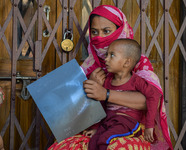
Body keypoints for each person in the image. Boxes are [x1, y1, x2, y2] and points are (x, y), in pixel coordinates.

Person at [48, 5, 173, 150]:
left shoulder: (137, 63)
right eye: (94, 32)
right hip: (99, 127)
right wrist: (89, 88)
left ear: (120, 31)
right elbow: (70, 111)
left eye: (106, 31)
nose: (99, 37)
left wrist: (104, 94)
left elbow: (149, 100)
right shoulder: (90, 65)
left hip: (132, 128)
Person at [84, 38, 163, 150]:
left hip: (127, 123)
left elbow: (153, 96)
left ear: (127, 62)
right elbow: (101, 104)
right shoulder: (107, 81)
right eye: (106, 54)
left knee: (104, 139)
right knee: (93, 142)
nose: (106, 59)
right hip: (108, 122)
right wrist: (96, 127)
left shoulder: (137, 81)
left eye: (112, 55)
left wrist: (149, 126)